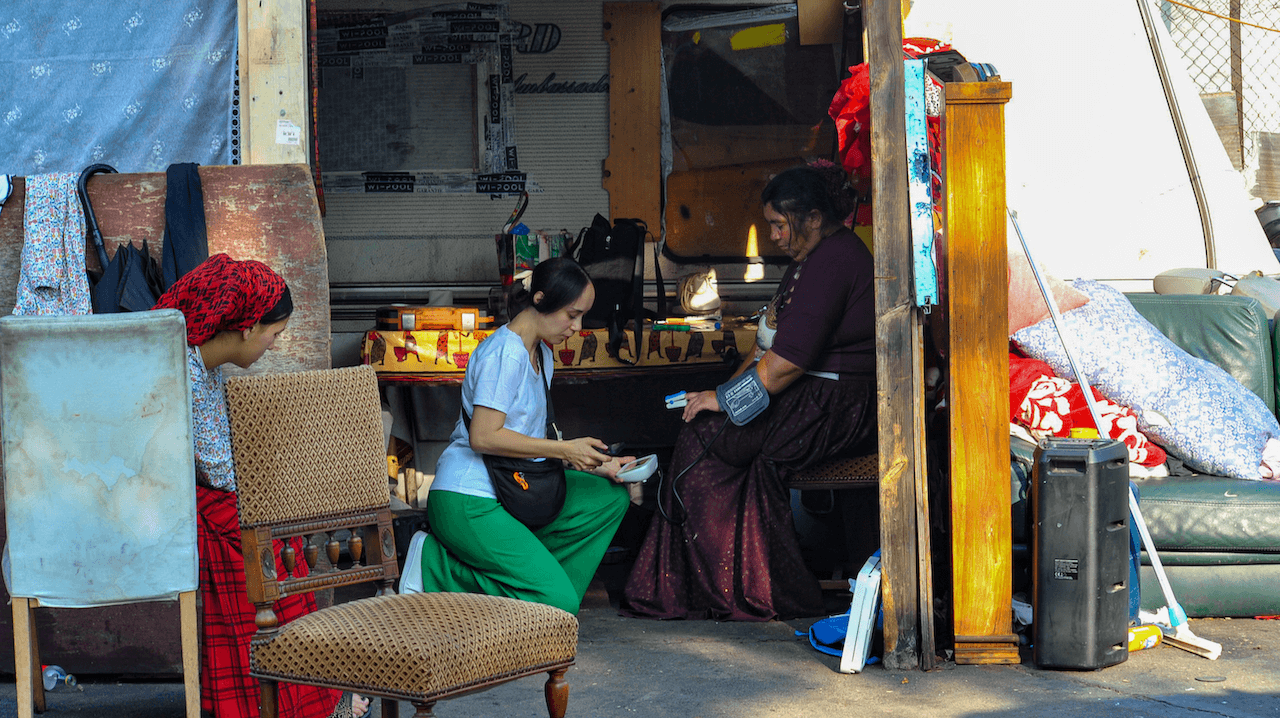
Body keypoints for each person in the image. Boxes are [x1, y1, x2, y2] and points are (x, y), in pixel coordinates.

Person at [620, 164, 878, 621]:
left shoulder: (835, 260)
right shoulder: (811, 258)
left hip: (834, 404)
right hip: (809, 395)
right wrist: (717, 394)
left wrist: (722, 401)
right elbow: (766, 349)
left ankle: (725, 587)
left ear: (814, 218)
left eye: (780, 225)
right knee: (703, 429)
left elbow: (788, 361)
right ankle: (714, 584)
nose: (774, 236)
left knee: (704, 440)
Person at [153, 253, 369, 718]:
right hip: (175, 504)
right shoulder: (184, 373)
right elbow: (218, 472)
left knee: (273, 532)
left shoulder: (200, 365)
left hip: (192, 496)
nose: (274, 345)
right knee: (266, 543)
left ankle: (291, 693)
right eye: (275, 334)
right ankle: (300, 700)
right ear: (248, 326)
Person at [402, 256, 631, 615]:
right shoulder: (505, 354)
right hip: (470, 498)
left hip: (515, 485)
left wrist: (599, 464)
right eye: (572, 315)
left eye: (582, 316)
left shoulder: (541, 352)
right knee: (557, 601)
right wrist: (565, 450)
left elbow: (529, 439)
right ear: (540, 299)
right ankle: (433, 564)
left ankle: (540, 591)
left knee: (609, 497)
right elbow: (483, 437)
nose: (577, 327)